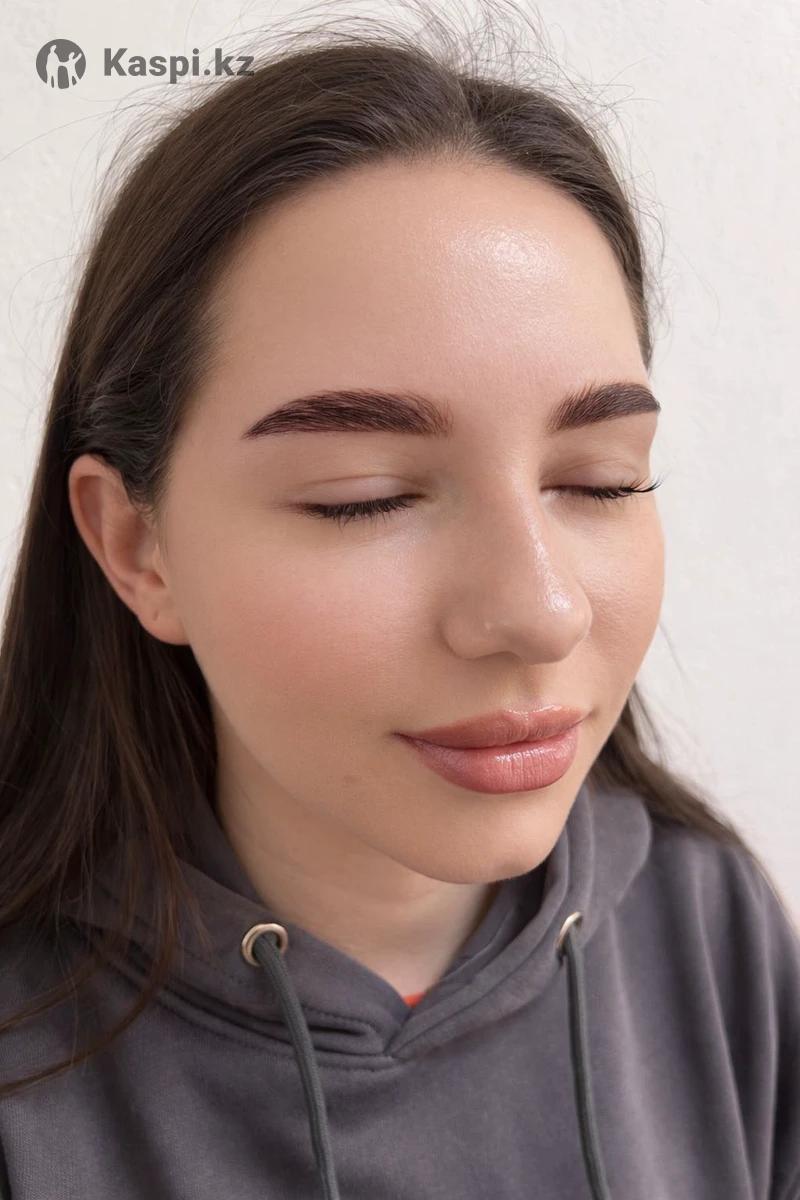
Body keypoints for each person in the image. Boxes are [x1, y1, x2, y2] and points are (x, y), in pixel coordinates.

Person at [0, 8, 798, 1200]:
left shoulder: (701, 920)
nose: (539, 612)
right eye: (362, 498)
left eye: (599, 479)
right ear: (136, 547)